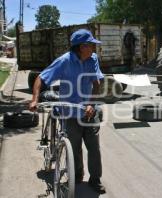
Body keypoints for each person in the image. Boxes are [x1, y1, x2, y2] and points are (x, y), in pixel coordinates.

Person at [29, 29, 105, 194]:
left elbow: (97, 84)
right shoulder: (64, 61)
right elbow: (41, 78)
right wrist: (35, 99)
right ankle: (77, 176)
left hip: (89, 112)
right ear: (81, 47)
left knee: (94, 147)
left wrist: (91, 104)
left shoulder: (92, 60)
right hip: (70, 112)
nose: (93, 48)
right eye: (90, 45)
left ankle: (95, 180)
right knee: (75, 147)